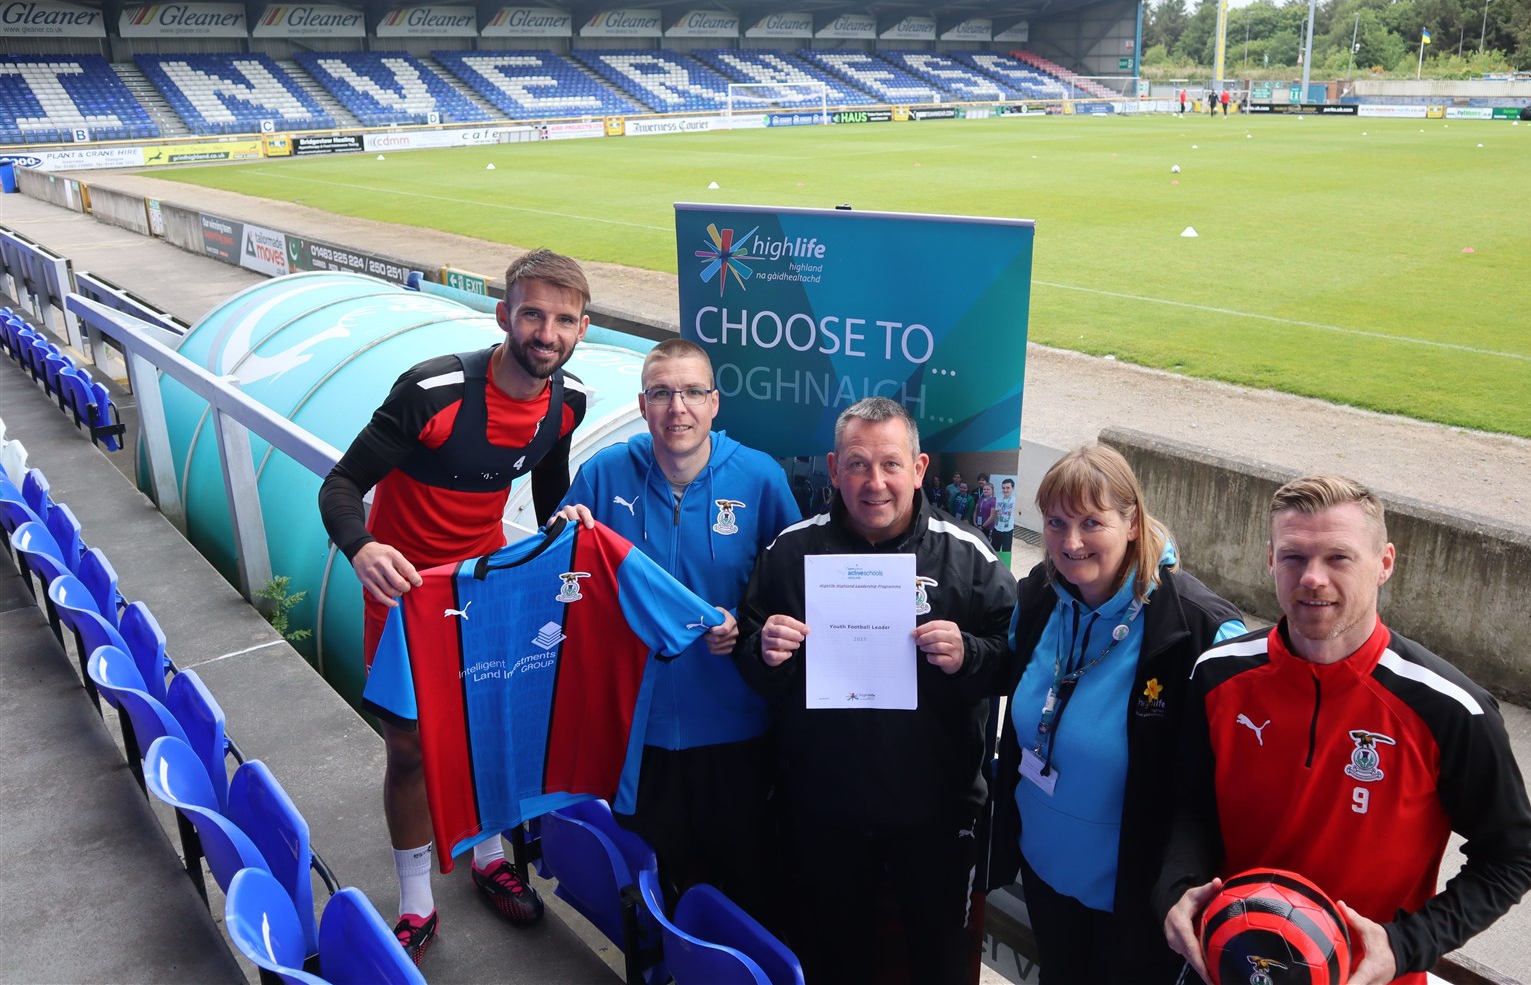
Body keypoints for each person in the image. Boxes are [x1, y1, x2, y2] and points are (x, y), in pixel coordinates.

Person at [1156, 475, 1531, 985]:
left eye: (1338, 557)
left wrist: (1406, 946)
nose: (1312, 578)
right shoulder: (1217, 674)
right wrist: (1176, 889)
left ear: (1384, 564)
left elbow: (1510, 857)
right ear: (1271, 560)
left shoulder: (1450, 708)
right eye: (1293, 557)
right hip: (1227, 965)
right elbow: (1191, 807)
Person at [318, 248, 592, 962]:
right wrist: (361, 548)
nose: (546, 331)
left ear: (582, 328)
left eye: (564, 319)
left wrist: (568, 517)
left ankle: (488, 855)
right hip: (406, 598)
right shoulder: (431, 391)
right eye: (532, 313)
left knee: (490, 727)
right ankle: (414, 900)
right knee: (408, 752)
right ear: (505, 315)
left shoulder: (569, 403)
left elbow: (550, 488)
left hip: (484, 592)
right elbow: (340, 486)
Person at [734, 397, 1015, 985]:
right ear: (834, 469)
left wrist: (971, 654)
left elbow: (1013, 660)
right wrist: (765, 650)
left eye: (891, 464)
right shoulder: (789, 552)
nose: (875, 482)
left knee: (939, 963)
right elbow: (750, 658)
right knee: (834, 961)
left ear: (919, 469)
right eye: (858, 464)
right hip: (822, 813)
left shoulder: (969, 557)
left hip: (936, 818)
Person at [553, 338, 799, 913]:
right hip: (637, 733)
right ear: (643, 405)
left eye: (691, 392)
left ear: (715, 403)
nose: (677, 408)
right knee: (652, 890)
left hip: (736, 730)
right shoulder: (605, 472)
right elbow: (561, 582)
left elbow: (795, 589)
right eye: (662, 393)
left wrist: (745, 622)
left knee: (740, 888)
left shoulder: (760, 478)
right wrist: (561, 533)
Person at [988, 445, 1246, 984]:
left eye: (1091, 522)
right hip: (1043, 872)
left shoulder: (1199, 630)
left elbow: (1218, 791)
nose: (1070, 541)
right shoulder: (1038, 595)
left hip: (1136, 901)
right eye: (1056, 523)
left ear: (1133, 523)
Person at [991, 477, 1018, 556]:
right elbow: (995, 514)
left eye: (1008, 488)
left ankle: (1005, 567)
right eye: (1003, 488)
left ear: (1012, 488)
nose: (1005, 490)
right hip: (997, 529)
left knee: (1006, 552)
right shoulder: (998, 500)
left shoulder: (1015, 500)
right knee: (995, 551)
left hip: (1008, 530)